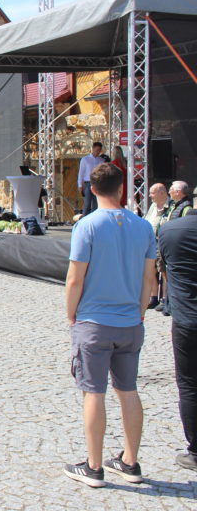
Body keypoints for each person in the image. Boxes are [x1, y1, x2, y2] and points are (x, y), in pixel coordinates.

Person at [63, 163, 156, 488]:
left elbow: (75, 279)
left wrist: (71, 314)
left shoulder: (87, 226)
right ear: (122, 190)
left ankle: (94, 466)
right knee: (128, 391)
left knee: (94, 392)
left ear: (91, 189)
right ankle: (130, 462)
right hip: (131, 321)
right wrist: (141, 310)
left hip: (94, 322)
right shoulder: (143, 227)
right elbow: (150, 279)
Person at [158, 197, 197, 473]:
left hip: (186, 319)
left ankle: (195, 451)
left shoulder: (171, 230)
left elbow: (164, 268)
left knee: (189, 385)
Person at [77, 142, 104, 217]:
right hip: (87, 183)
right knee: (87, 203)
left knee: (96, 203)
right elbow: (81, 172)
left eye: (99, 150)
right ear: (92, 149)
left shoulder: (101, 160)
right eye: (97, 150)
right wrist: (80, 185)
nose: (98, 152)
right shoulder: (85, 159)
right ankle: (85, 219)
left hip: (97, 183)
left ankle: (94, 219)